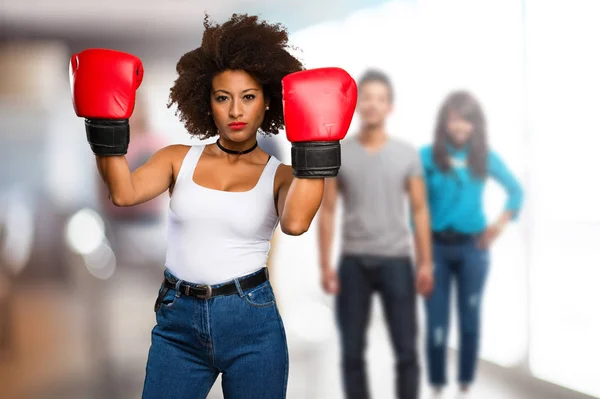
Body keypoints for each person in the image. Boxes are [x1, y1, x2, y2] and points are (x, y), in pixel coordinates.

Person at [69, 13, 357, 399]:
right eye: (223, 98)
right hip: (179, 321)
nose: (236, 111)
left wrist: (316, 148)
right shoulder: (176, 158)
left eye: (248, 97)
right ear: (208, 103)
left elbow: (296, 222)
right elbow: (123, 192)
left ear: (267, 103)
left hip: (251, 321)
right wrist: (106, 123)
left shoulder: (284, 175)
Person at [318, 69, 434, 399]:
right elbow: (327, 210)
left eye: (379, 99)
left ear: (389, 107)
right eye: (366, 97)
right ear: (357, 105)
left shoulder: (406, 154)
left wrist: (425, 263)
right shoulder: (339, 151)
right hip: (353, 262)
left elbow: (420, 210)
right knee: (351, 354)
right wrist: (325, 265)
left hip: (397, 261)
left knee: (407, 352)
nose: (372, 104)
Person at [420, 91, 524, 398]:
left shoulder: (485, 157)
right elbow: (418, 208)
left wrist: (498, 226)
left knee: (469, 318)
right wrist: (423, 256)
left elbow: (516, 191)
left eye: (467, 120)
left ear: (476, 124)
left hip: (472, 250)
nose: (460, 126)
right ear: (445, 121)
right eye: (455, 119)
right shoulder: (427, 156)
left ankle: (465, 383)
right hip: (437, 248)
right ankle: (437, 383)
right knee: (437, 322)